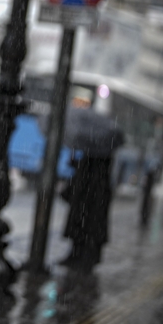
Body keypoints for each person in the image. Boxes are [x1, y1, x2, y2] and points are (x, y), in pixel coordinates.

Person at [60, 87, 125, 272]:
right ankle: (81, 255)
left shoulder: (97, 153)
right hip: (90, 196)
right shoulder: (100, 151)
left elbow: (86, 172)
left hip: (89, 196)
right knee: (86, 225)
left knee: (85, 225)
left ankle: (82, 256)